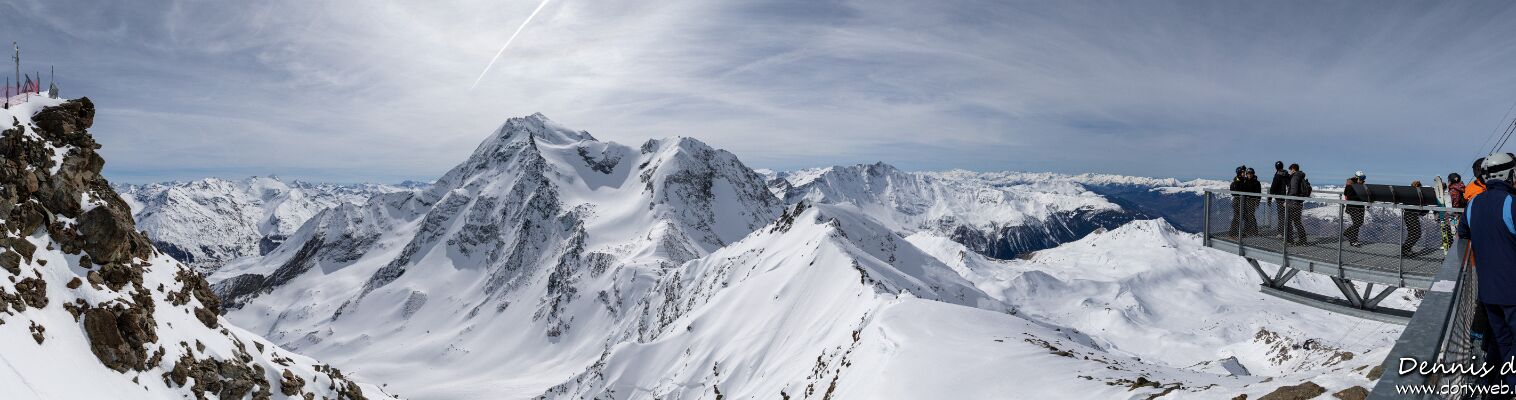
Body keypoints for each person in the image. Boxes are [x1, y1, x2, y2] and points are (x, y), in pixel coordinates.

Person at [1458, 153, 1516, 389]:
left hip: (1488, 291)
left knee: (1502, 340)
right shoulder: (1511, 203)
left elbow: (1463, 233)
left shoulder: (1473, 204)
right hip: (1512, 289)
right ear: (1508, 174)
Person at [1285, 163, 1310, 245]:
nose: (1289, 172)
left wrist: (1287, 201)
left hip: (1293, 203)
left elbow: (1293, 191)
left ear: (1293, 169)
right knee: (1297, 222)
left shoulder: (1295, 177)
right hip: (1298, 203)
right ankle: (1303, 240)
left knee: (1288, 222)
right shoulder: (1301, 176)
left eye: (1290, 170)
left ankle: (1289, 241)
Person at [1403, 180, 1428, 257]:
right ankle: (1405, 249)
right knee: (1417, 233)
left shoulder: (1408, 194)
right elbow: (1422, 209)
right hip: (1413, 215)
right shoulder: (1418, 195)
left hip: (1407, 215)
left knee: (1412, 233)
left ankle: (1406, 249)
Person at [1269, 161, 1291, 235]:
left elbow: (1273, 188)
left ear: (1276, 168)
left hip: (1280, 199)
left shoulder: (1277, 175)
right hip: (1289, 198)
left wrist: (1269, 198)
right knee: (1287, 216)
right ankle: (1288, 232)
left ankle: (1281, 233)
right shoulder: (1287, 174)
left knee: (1281, 216)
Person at [1343, 177, 1365, 246]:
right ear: (1356, 179)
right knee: (1356, 224)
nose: (1362, 181)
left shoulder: (1360, 186)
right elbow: (1348, 196)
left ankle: (1350, 236)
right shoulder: (1350, 186)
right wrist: (1361, 197)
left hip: (1360, 207)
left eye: (1363, 179)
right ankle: (1352, 239)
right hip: (1353, 207)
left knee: (1359, 223)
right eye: (1360, 179)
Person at [1228, 165, 1247, 238]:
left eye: (1244, 172)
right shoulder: (1237, 181)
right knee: (1237, 217)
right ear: (1239, 173)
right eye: (1243, 172)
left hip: (1241, 201)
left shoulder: (1241, 180)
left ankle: (1237, 232)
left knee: (1240, 217)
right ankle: (1232, 233)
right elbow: (1236, 191)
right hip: (1237, 201)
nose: (1244, 173)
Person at [1242, 168, 1263, 236]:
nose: (1249, 175)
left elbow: (1259, 194)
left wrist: (1257, 202)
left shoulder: (1256, 182)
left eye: (1250, 173)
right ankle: (1246, 231)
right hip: (1245, 201)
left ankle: (1254, 231)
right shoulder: (1244, 181)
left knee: (1251, 216)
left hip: (1252, 201)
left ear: (1253, 174)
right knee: (1246, 216)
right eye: (1248, 173)